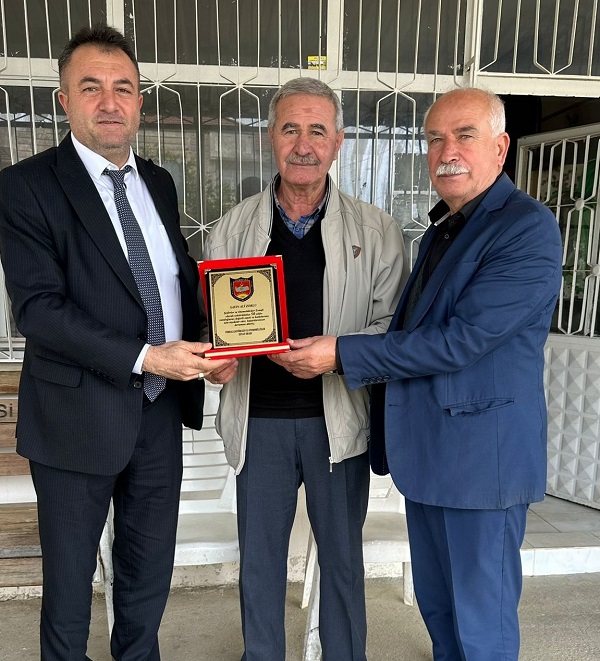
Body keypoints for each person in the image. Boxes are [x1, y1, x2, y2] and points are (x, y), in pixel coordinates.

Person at [272, 87, 563, 660]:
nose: (446, 151)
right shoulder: (444, 228)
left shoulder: (525, 227)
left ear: (500, 147)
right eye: (434, 138)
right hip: (431, 459)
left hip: (482, 465)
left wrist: (342, 354)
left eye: (465, 135)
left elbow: (462, 341)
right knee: (439, 609)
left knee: (482, 623)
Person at [0, 25, 235, 661]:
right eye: (91, 88)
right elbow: (39, 310)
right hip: (76, 416)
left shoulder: (158, 181)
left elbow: (171, 279)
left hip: (159, 411)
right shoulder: (26, 187)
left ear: (139, 101)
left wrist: (213, 341)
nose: (110, 102)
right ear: (63, 100)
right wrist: (147, 356)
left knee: (148, 570)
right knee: (70, 584)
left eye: (123, 88)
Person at [203, 77, 409, 661]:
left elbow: (393, 330)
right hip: (258, 422)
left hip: (337, 425)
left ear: (338, 142)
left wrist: (336, 353)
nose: (303, 144)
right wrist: (215, 361)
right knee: (259, 565)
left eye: (318, 130)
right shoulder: (232, 228)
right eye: (290, 128)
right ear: (270, 137)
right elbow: (214, 325)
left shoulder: (377, 231)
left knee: (342, 564)